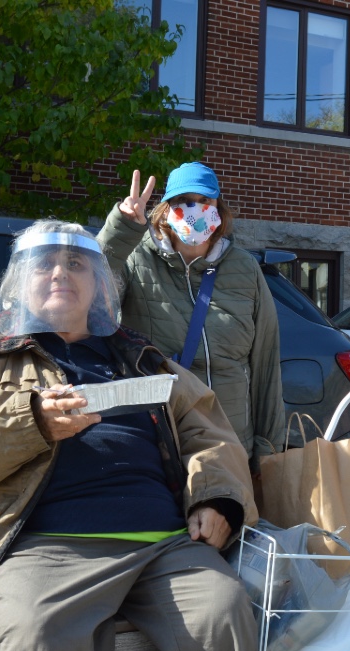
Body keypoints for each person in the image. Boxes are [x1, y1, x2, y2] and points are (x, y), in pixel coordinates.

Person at [0, 220, 259, 651]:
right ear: (18, 283)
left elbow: (207, 428)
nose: (59, 273)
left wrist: (217, 496)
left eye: (76, 264)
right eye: (44, 264)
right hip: (41, 547)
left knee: (225, 614)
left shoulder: (139, 357)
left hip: (164, 544)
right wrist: (26, 420)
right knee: (38, 636)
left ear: (98, 285)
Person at [98, 162, 285, 473]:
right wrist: (122, 228)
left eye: (204, 201)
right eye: (184, 201)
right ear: (167, 209)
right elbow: (91, 293)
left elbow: (266, 362)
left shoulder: (245, 268)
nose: (194, 209)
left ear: (218, 208)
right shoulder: (137, 257)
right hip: (159, 440)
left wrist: (268, 448)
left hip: (229, 444)